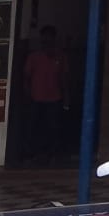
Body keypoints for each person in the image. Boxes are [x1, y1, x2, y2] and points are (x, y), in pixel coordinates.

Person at [23, 25, 69, 165]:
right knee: (34, 128)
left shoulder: (61, 56)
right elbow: (26, 77)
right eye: (45, 38)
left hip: (55, 98)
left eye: (50, 38)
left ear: (54, 39)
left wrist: (66, 98)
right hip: (36, 98)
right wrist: (28, 95)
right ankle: (34, 155)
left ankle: (52, 155)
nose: (47, 41)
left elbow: (64, 78)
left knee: (53, 128)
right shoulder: (34, 57)